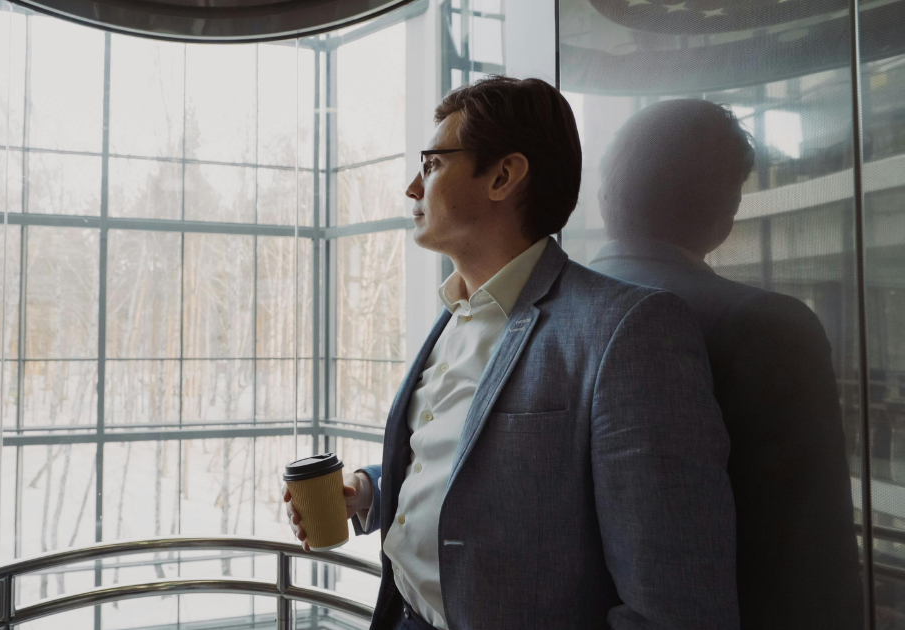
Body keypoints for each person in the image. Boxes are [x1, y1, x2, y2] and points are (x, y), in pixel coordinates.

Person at [283, 76, 739, 629]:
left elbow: (675, 603)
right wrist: (369, 490)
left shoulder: (628, 332)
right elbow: (482, 459)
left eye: (430, 165)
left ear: (503, 175)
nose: (411, 189)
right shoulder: (455, 314)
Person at [588, 98, 864, 630]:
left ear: (605, 195)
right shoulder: (768, 327)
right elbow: (811, 548)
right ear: (727, 210)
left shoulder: (541, 314)